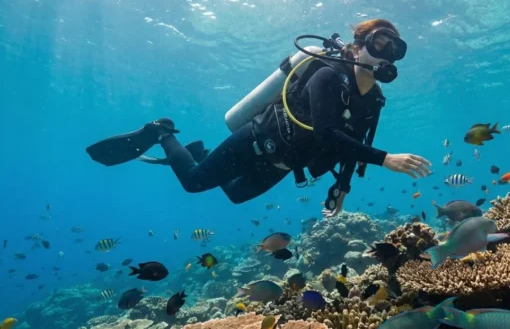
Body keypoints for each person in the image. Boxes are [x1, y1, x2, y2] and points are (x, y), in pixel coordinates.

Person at [86, 19, 432, 216]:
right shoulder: (327, 74)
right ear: (357, 47)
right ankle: (163, 132)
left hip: (284, 163)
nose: (387, 54)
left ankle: (201, 153)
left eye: (395, 49)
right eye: (379, 43)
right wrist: (385, 159)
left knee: (235, 195)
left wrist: (341, 187)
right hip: (257, 140)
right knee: (193, 184)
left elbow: (355, 144)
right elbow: (328, 133)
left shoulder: (374, 99)